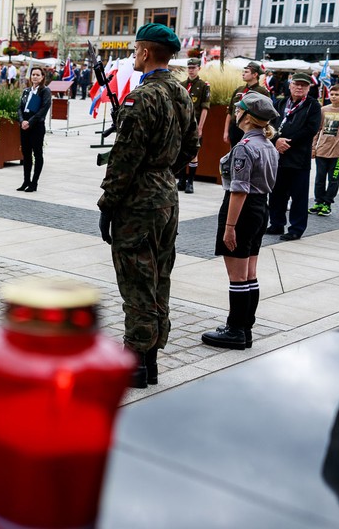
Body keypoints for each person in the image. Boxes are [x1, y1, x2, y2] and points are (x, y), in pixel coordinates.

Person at [97, 23, 198, 389]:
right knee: (159, 277)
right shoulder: (180, 92)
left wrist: (108, 203)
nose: (133, 55)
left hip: (139, 199)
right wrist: (164, 171)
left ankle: (135, 363)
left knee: (137, 281)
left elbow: (124, 159)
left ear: (145, 52)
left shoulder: (142, 97)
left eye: (135, 49)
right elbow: (192, 146)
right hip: (166, 195)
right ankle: (151, 359)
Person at [202, 93, 279, 350]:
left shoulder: (245, 147)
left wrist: (230, 227)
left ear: (247, 117)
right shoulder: (268, 144)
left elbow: (239, 190)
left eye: (238, 110)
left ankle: (235, 330)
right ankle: (245, 327)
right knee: (249, 274)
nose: (235, 113)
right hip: (260, 208)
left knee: (237, 277)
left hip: (242, 210)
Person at [266, 72, 322, 241]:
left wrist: (287, 142)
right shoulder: (281, 102)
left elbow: (311, 129)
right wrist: (276, 140)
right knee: (276, 193)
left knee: (298, 196)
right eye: (296, 84)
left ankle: (296, 228)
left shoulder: (313, 105)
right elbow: (269, 123)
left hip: (299, 159)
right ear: (290, 85)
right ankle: (276, 224)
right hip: (279, 157)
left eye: (303, 85)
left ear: (308, 88)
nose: (299, 87)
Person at [177, 58, 212, 194]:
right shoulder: (182, 85)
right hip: (182, 124)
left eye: (194, 68)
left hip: (195, 123)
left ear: (199, 68)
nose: (191, 70)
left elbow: (205, 108)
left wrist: (201, 127)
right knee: (180, 152)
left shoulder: (203, 85)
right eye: (189, 68)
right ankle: (181, 180)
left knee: (193, 153)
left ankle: (190, 182)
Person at [310, 84, 339, 216]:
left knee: (334, 179)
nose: (333, 97)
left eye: (337, 94)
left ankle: (327, 203)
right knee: (319, 178)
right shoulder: (323, 110)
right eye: (332, 94)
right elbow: (316, 130)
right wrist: (313, 147)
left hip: (338, 152)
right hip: (322, 150)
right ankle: (318, 202)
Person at [17, 67, 51, 193]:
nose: (35, 77)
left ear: (42, 77)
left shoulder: (45, 91)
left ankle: (34, 182)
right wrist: (22, 121)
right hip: (24, 125)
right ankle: (26, 180)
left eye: (38, 75)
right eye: (33, 74)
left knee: (37, 154)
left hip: (36, 126)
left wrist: (30, 122)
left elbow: (43, 109)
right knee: (26, 154)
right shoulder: (26, 91)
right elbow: (19, 108)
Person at [224, 62, 270, 147]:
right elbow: (230, 111)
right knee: (233, 153)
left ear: (255, 74)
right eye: (243, 71)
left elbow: (266, 114)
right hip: (235, 128)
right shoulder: (239, 90)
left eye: (246, 72)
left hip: (250, 128)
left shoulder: (262, 92)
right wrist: (226, 131)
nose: (243, 74)